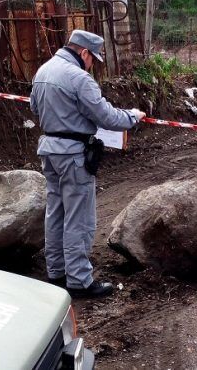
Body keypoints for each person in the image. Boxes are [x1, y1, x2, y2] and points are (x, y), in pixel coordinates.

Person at [30, 30, 146, 298]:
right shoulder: (79, 78)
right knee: (78, 219)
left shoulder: (43, 72)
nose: (93, 64)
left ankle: (56, 271)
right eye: (93, 58)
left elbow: (35, 109)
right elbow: (106, 116)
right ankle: (79, 280)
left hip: (49, 150)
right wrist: (132, 116)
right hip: (73, 154)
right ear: (84, 53)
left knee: (55, 213)